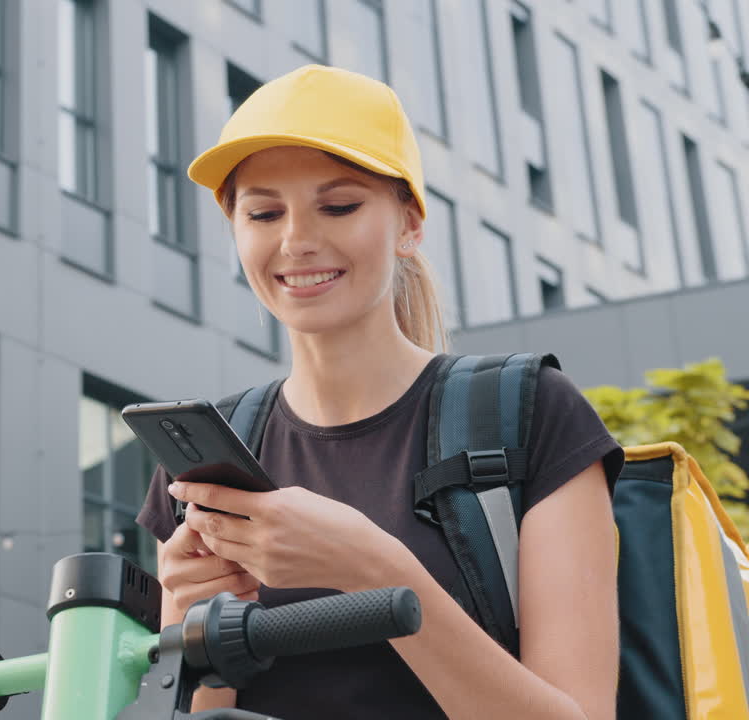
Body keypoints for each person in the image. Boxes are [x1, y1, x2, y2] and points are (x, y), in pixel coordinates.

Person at [135, 65, 623, 719]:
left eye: (339, 206)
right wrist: (193, 623)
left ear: (409, 224)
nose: (297, 240)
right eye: (262, 212)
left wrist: (376, 573)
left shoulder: (530, 414)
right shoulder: (205, 463)